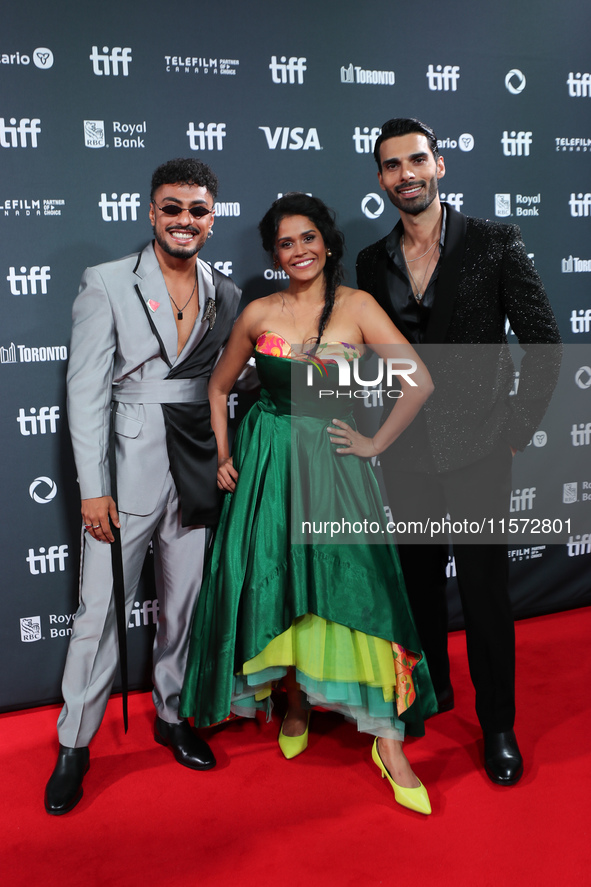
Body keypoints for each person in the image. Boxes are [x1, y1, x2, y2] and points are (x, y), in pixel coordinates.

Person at [180, 193, 437, 816]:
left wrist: (374, 440)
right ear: (275, 252)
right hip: (268, 461)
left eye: (308, 238)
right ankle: (294, 703)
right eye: (286, 243)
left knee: (358, 586)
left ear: (327, 242)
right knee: (280, 583)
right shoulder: (258, 312)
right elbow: (219, 389)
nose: (298, 251)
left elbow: (419, 380)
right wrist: (223, 455)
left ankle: (388, 742)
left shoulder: (357, 306)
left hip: (335, 466)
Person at [356, 117, 561, 786]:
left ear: (438, 165)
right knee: (416, 593)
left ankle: (496, 724)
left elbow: (543, 340)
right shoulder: (370, 260)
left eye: (415, 159)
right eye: (391, 165)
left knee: (483, 594)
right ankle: (426, 702)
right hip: (404, 455)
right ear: (381, 178)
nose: (404, 173)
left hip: (479, 450)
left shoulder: (495, 241)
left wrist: (514, 430)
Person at [44, 158, 241, 815]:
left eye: (198, 209)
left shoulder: (228, 292)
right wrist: (93, 487)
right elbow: (84, 394)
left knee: (183, 603)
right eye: (173, 208)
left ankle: (173, 713)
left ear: (213, 218)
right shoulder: (105, 283)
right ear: (151, 213)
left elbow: (225, 383)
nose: (185, 220)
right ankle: (75, 743)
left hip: (195, 463)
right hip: (124, 472)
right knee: (98, 612)